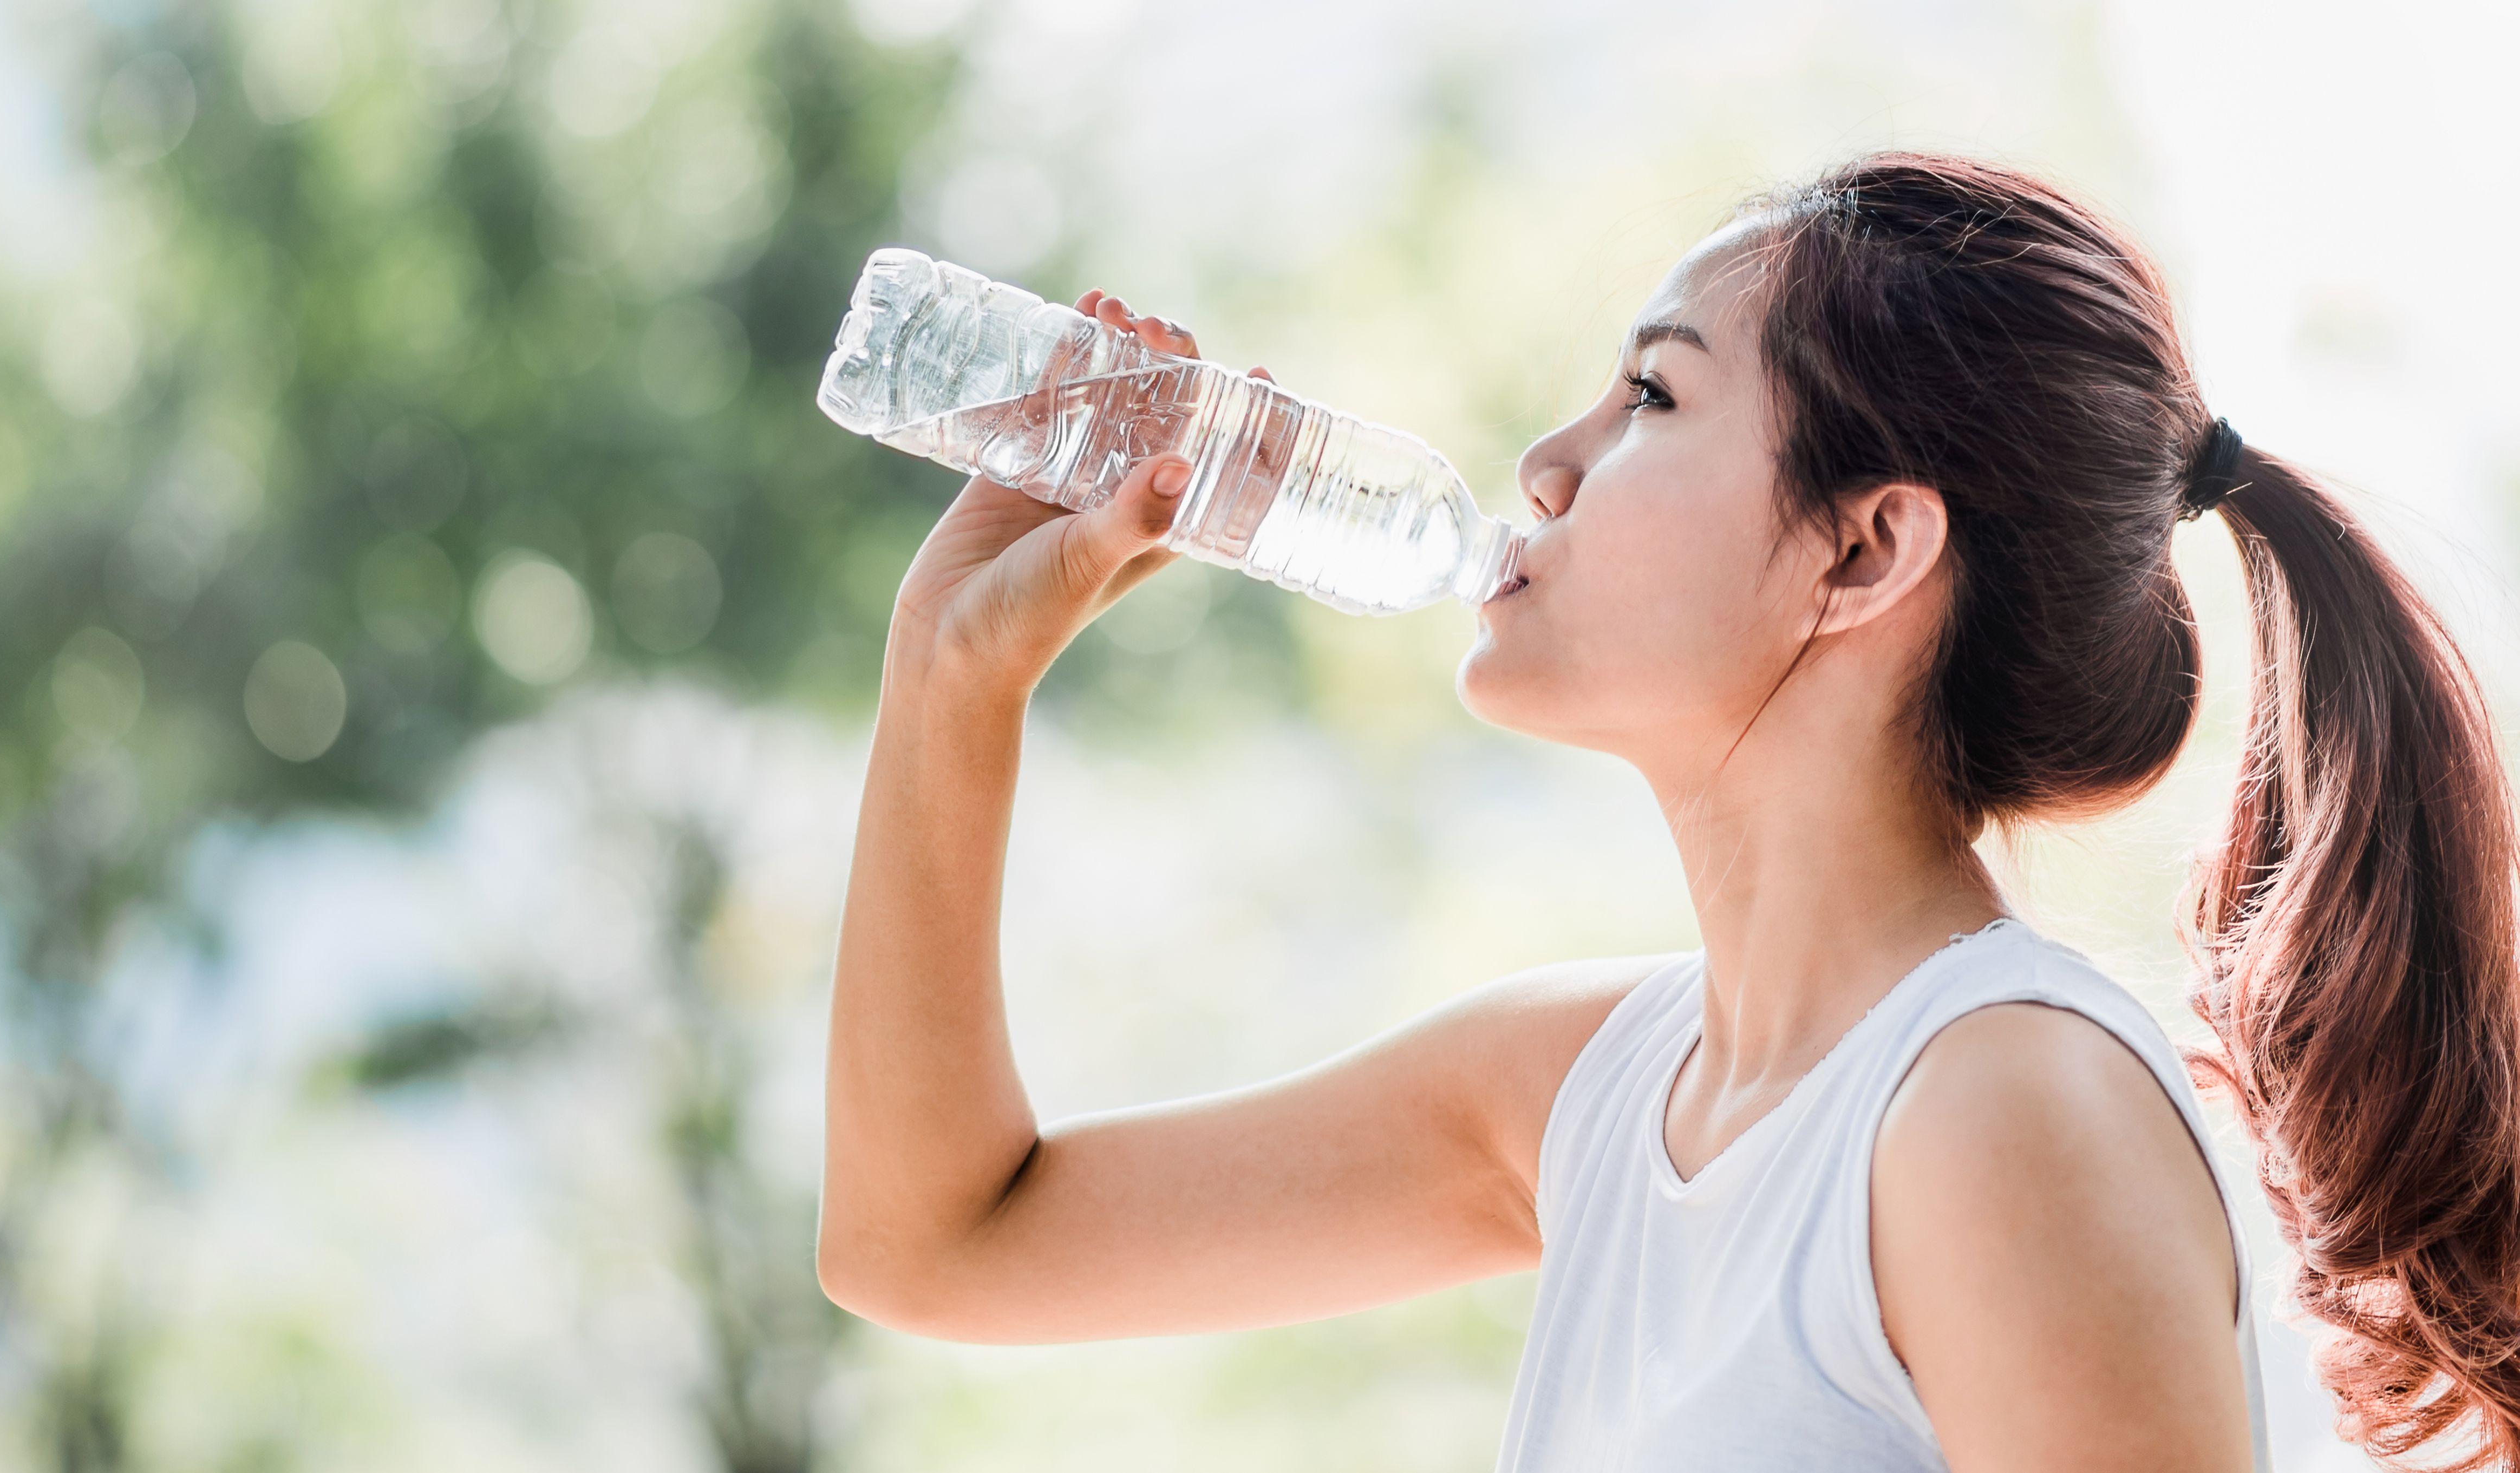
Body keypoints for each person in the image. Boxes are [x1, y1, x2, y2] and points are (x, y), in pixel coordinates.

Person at [818, 152, 2520, 1471]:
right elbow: (938, 1242)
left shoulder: (2005, 1111)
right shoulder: (1593, 1090)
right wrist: (952, 671)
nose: (1546, 465)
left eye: (1651, 394)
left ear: (1866, 550)